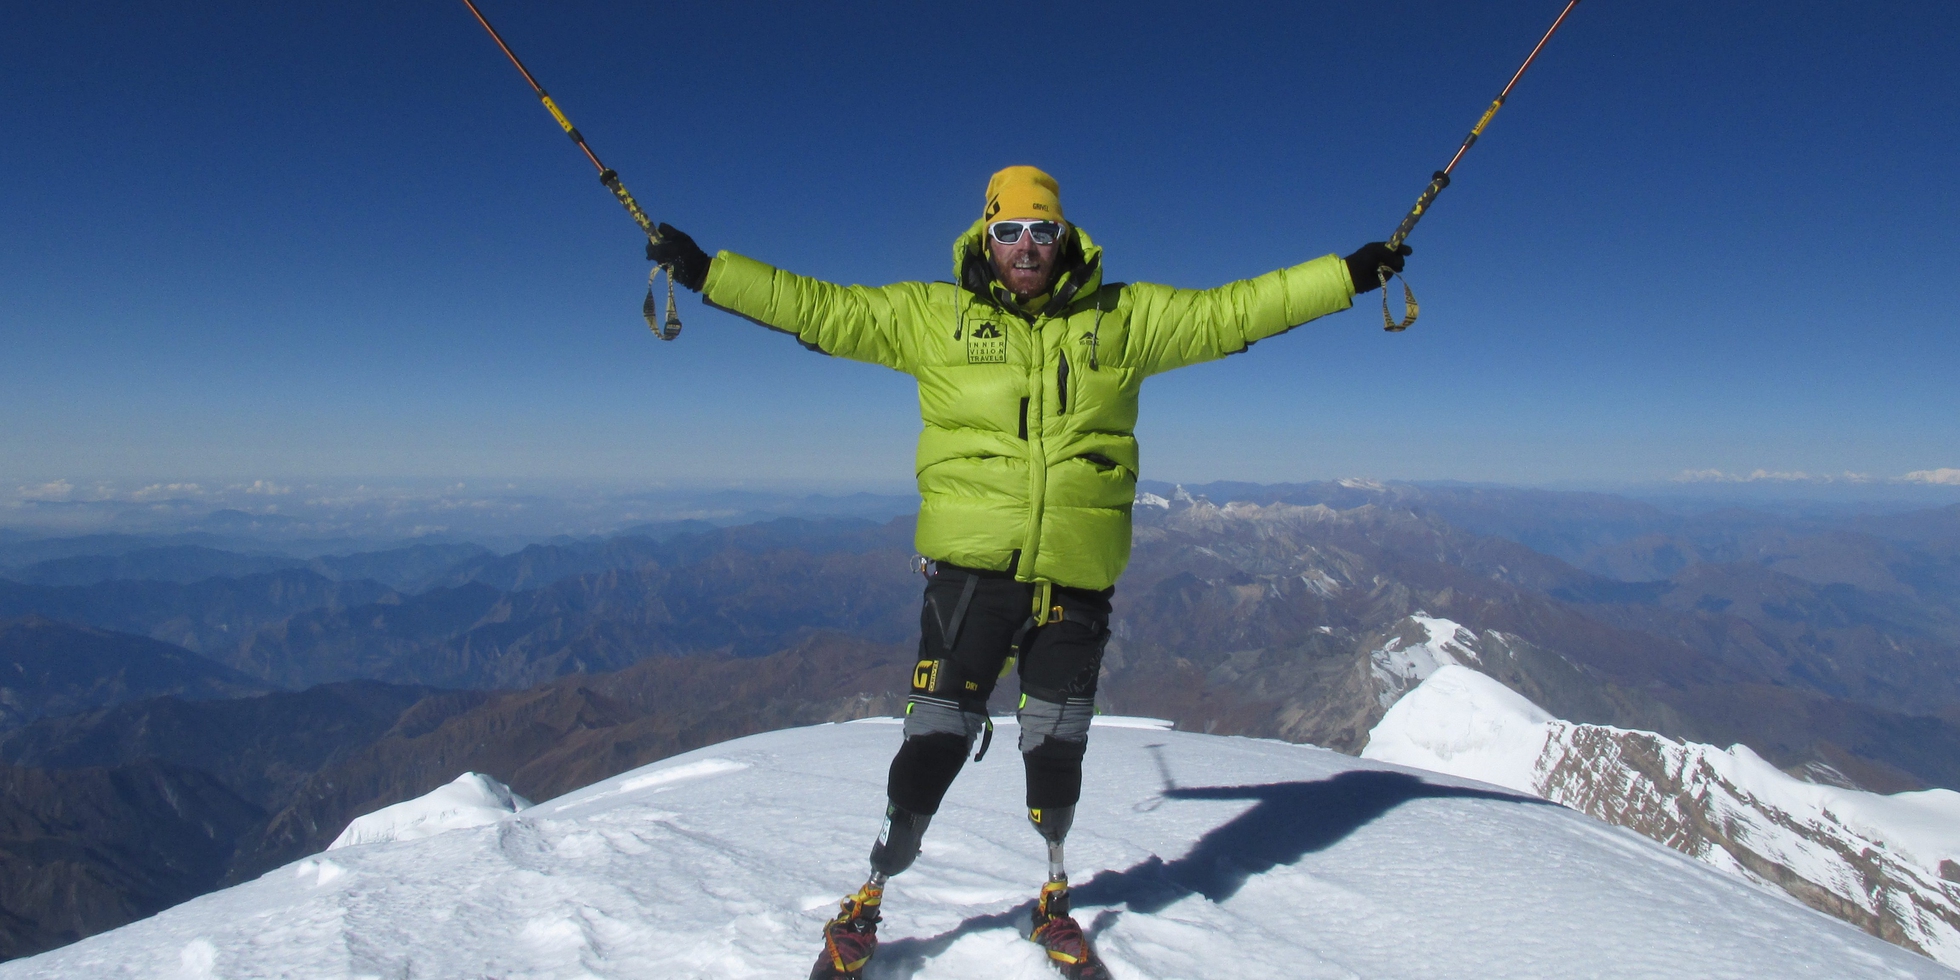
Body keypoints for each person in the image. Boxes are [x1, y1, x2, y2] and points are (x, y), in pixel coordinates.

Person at [650, 166, 1408, 980]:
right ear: (984, 237)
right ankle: (869, 895)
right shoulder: (931, 318)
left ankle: (1053, 893)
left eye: (1040, 231)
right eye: (1007, 231)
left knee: (1056, 755)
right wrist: (705, 272)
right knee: (932, 742)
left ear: (1064, 238)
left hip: (1077, 583)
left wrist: (1349, 277)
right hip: (971, 577)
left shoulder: (1126, 318)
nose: (1024, 247)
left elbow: (1235, 311)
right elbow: (819, 308)